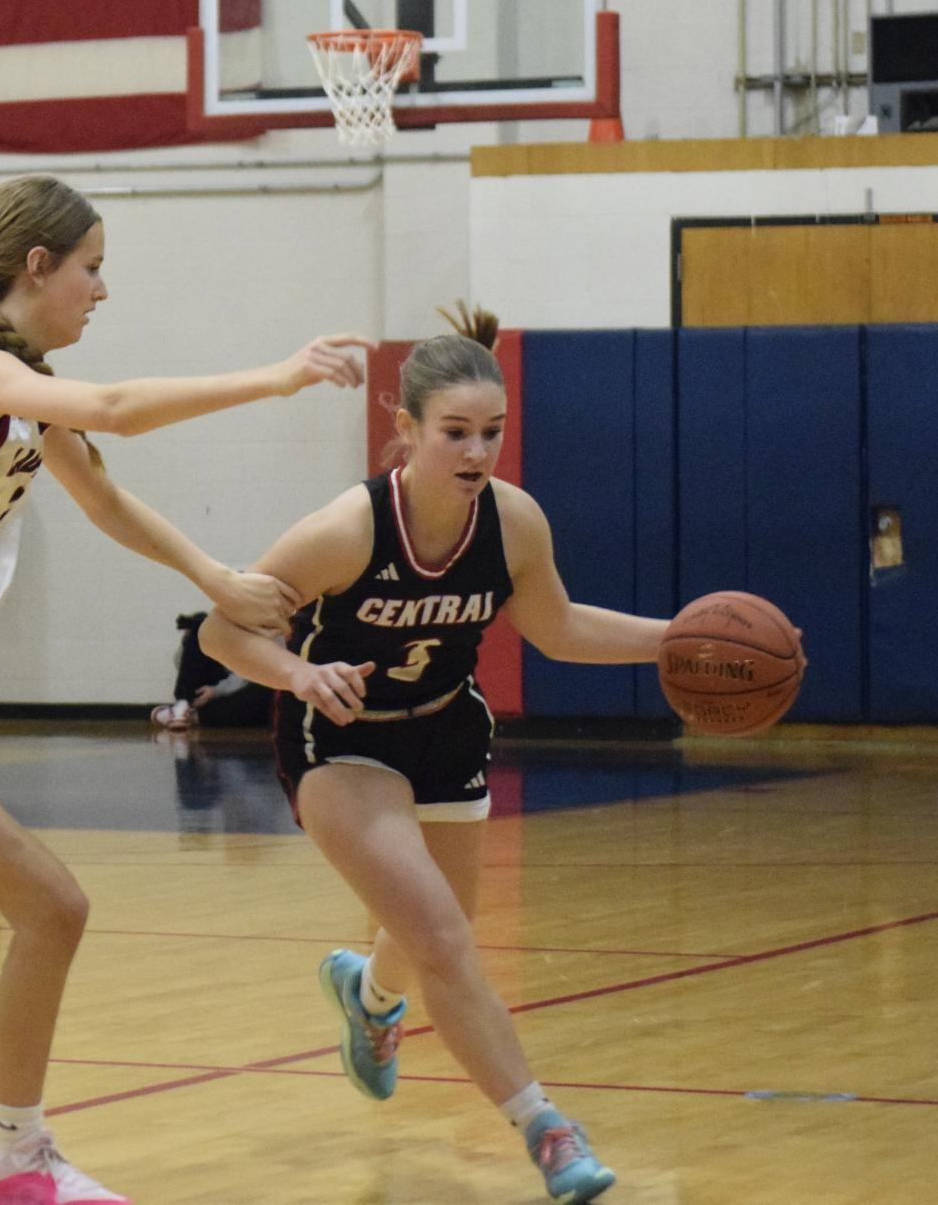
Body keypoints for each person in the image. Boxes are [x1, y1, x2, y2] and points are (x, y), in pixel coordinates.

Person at [0, 175, 367, 1204]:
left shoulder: (18, 381)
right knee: (53, 905)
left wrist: (212, 578)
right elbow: (112, 408)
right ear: (37, 267)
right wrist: (277, 377)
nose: (102, 289)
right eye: (93, 266)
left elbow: (102, 490)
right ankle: (17, 1154)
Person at [198, 307, 665, 1204]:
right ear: (404, 430)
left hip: (449, 727)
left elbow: (557, 629)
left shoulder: (513, 523)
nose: (476, 450)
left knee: (429, 935)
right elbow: (223, 633)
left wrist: (675, 640)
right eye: (455, 432)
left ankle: (370, 1000)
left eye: (491, 432)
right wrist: (297, 672)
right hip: (341, 741)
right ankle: (545, 1128)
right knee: (445, 939)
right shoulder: (345, 530)